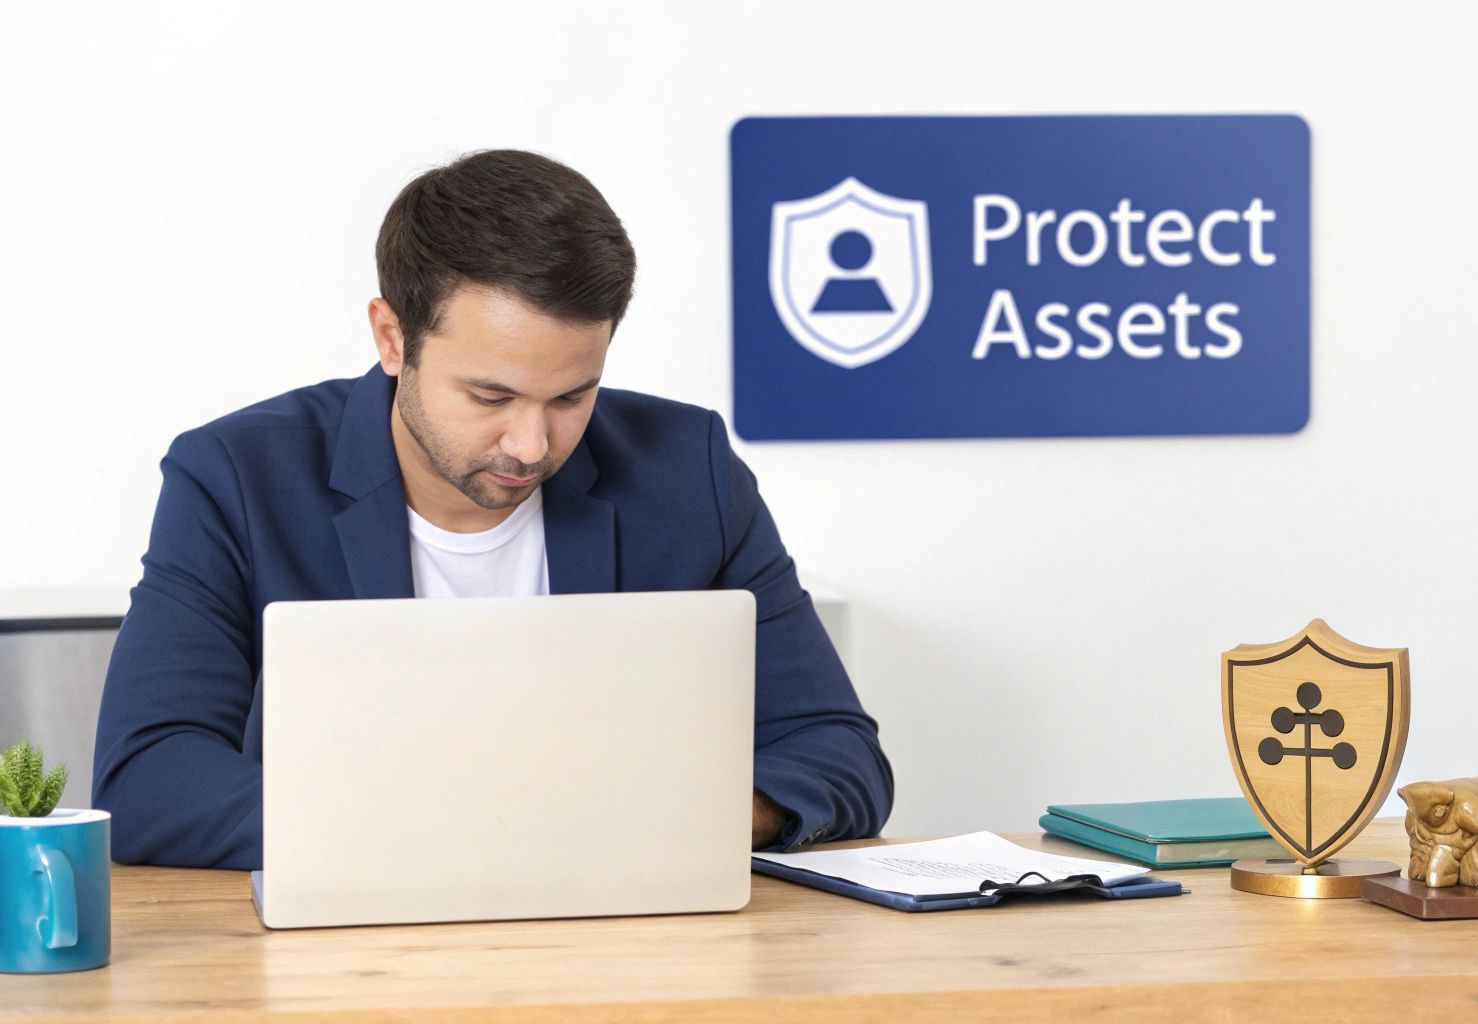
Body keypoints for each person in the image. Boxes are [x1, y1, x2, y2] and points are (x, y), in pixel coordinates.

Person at [90, 149, 893, 870]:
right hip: (350, 940)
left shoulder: (688, 470)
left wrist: (683, 820)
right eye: (490, 396)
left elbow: (837, 752)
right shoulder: (237, 477)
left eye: (572, 396)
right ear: (392, 338)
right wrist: (461, 834)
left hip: (625, 933)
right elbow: (148, 776)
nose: (531, 445)